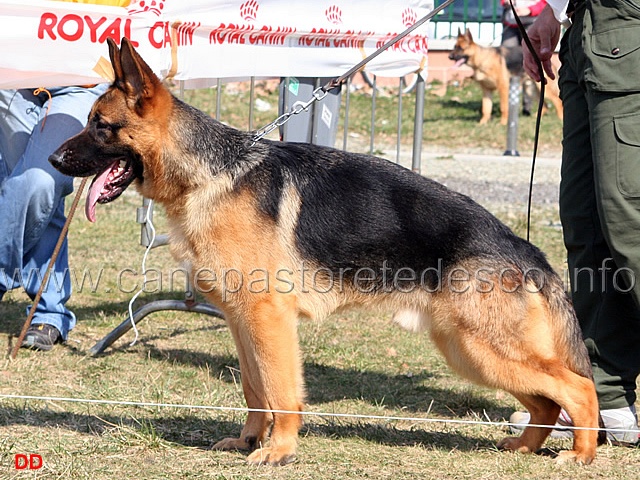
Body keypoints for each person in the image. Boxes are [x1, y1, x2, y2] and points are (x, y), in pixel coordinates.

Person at [511, 0, 640, 443]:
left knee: (630, 227)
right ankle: (606, 398)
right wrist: (555, 11)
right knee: (586, 228)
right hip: (587, 36)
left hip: (628, 31)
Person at [0, 85, 107, 351]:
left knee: (41, 181)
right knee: (29, 188)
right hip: (10, 77)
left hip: (79, 79)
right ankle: (49, 309)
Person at [500, 0, 548, 115]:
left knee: (531, 65)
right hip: (510, 23)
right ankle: (509, 106)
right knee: (506, 65)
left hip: (532, 22)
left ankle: (528, 107)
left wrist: (530, 10)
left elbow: (549, 3)